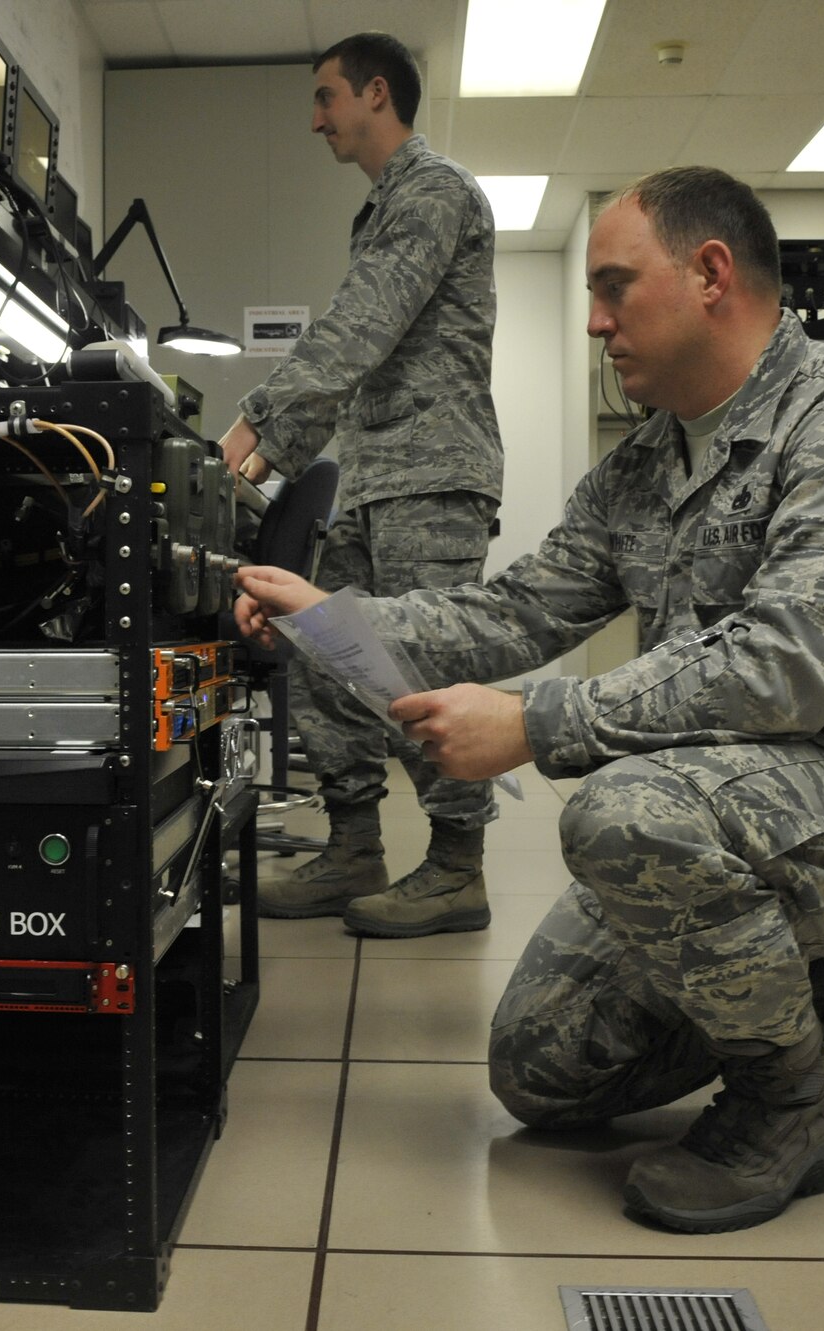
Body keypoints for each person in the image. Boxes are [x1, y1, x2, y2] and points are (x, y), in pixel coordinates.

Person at [234, 167, 824, 1233]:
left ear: (709, 275)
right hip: (740, 800)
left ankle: (789, 1102)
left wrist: (535, 725)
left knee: (620, 809)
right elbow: (510, 614)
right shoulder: (640, 468)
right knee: (542, 1074)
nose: (594, 321)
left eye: (612, 288)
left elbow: (790, 663)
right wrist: (325, 617)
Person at [216, 32, 504, 940]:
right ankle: (353, 846)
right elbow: (363, 352)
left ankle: (458, 866)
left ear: (377, 94)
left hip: (435, 476)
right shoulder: (384, 207)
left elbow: (360, 327)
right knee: (328, 652)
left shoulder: (435, 192)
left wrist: (257, 428)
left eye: (326, 97)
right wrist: (271, 453)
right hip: (378, 475)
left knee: (423, 669)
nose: (315, 120)